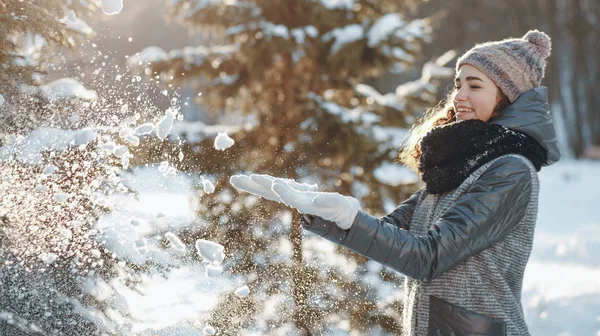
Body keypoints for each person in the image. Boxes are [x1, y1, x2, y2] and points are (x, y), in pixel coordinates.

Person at [231, 30, 560, 336]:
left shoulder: (510, 171)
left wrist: (349, 218)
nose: (459, 96)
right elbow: (393, 233)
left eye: (474, 86)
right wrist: (318, 208)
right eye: (458, 84)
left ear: (508, 96)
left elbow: (426, 257)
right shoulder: (462, 165)